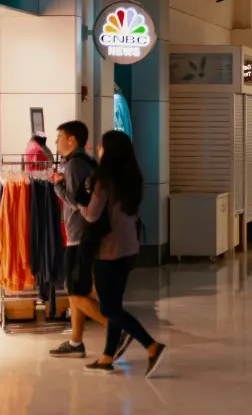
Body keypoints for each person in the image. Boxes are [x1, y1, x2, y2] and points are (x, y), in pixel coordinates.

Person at [77, 130, 167, 376]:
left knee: (108, 309)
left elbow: (92, 214)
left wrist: (77, 203)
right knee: (115, 303)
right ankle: (107, 357)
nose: (97, 148)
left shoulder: (103, 180)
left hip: (108, 249)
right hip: (129, 248)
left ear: (109, 151)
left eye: (101, 146)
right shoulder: (132, 177)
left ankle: (151, 345)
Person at [49, 121, 108, 358]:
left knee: (74, 292)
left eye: (59, 137)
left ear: (72, 140)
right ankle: (76, 342)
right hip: (87, 235)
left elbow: (77, 203)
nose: (56, 142)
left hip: (79, 237)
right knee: (80, 290)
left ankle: (118, 327)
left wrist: (57, 188)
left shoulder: (74, 165)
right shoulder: (88, 163)